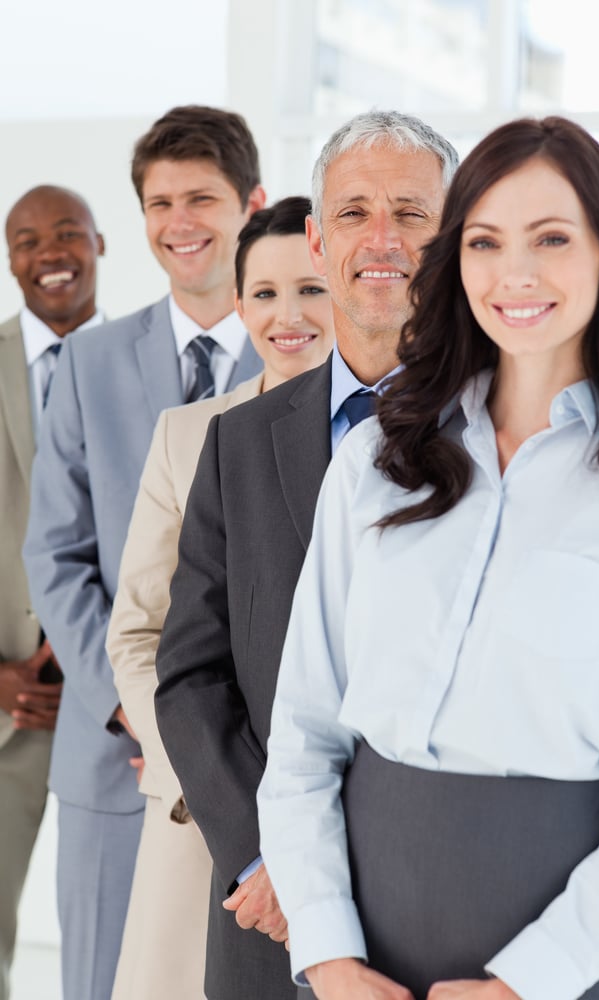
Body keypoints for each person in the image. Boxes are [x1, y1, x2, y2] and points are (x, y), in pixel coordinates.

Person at [257, 114, 599, 1000]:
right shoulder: (375, 463)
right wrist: (326, 956)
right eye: (484, 241)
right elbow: (302, 735)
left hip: (564, 955)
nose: (514, 273)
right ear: (456, 263)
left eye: (550, 238)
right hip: (357, 945)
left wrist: (528, 983)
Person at [154, 110, 458, 1000]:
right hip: (268, 914)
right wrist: (277, 855)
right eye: (354, 213)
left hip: (435, 911)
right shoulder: (235, 444)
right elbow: (192, 675)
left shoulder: (503, 436)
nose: (382, 238)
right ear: (317, 242)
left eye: (411, 213)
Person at [22, 106, 265, 1000]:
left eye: (200, 197)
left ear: (252, 204)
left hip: (251, 756)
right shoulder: (88, 362)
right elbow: (56, 553)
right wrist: (134, 709)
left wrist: (207, 730)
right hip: (112, 755)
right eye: (159, 203)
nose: (180, 222)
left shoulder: (302, 360)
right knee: (98, 982)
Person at [105, 195, 334, 1000]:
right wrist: (201, 768)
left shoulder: (394, 435)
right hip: (207, 813)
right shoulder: (191, 433)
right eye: (264, 294)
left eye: (311, 289)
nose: (288, 315)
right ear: (238, 306)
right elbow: (138, 632)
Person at [0, 184, 104, 1000]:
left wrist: (96, 658)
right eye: (29, 241)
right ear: (11, 261)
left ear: (100, 244)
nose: (51, 254)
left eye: (69, 233)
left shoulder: (156, 361)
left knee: (113, 938)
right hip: (8, 710)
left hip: (116, 705)